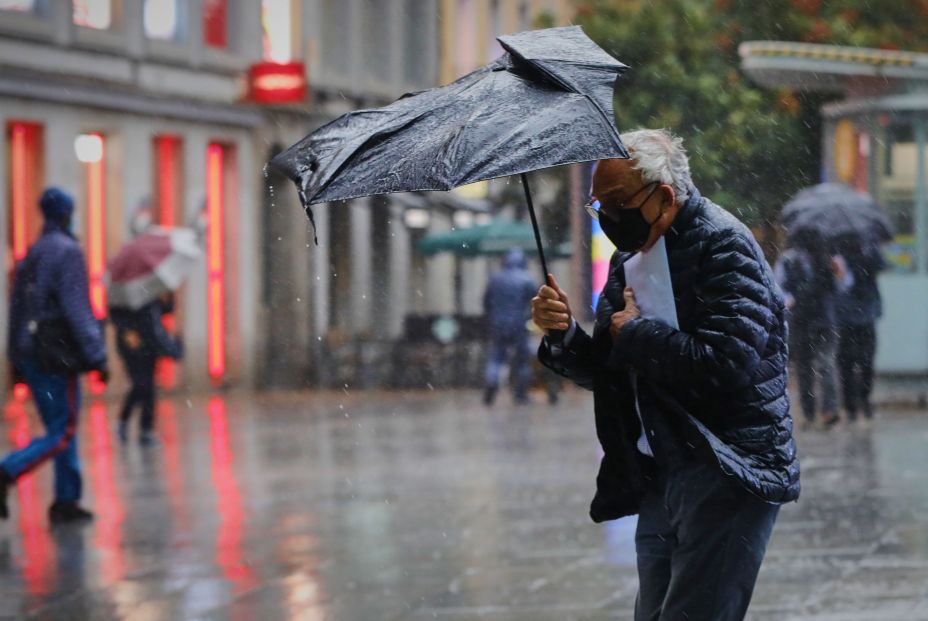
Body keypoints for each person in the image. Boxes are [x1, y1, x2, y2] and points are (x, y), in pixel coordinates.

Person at [531, 129, 798, 620]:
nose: (608, 216)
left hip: (726, 462)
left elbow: (725, 363)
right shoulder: (628, 258)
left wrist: (636, 333)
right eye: (599, 205)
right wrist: (564, 333)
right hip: (661, 467)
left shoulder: (724, 246)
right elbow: (612, 371)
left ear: (665, 196)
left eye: (617, 201)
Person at [1, 187, 108, 524]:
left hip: (32, 354)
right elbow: (77, 308)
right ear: (65, 214)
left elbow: (17, 308)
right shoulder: (67, 252)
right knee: (62, 430)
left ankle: (66, 499)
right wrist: (97, 354)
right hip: (57, 356)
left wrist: (16, 357)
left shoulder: (32, 253)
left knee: (59, 428)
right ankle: (7, 471)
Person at [775, 245, 850, 429]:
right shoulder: (791, 259)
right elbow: (844, 285)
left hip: (816, 320)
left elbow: (843, 284)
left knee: (816, 365)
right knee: (813, 366)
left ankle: (824, 411)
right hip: (813, 320)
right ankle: (818, 411)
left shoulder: (827, 259)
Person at [110, 292, 183, 445]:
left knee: (148, 387)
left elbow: (164, 310)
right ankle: (124, 421)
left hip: (149, 344)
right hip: (132, 345)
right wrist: (127, 329)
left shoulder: (152, 289)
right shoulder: (125, 289)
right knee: (141, 384)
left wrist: (168, 297)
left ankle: (145, 429)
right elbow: (115, 313)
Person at [835, 237, 886, 425]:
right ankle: (860, 401)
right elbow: (882, 266)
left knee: (849, 362)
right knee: (862, 361)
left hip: (852, 315)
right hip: (860, 315)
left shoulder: (839, 248)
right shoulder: (868, 248)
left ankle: (853, 405)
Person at [482, 248, 538, 405]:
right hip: (519, 324)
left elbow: (486, 302)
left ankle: (492, 381)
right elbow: (536, 303)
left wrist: (493, 317)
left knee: (496, 357)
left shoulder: (495, 279)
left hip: (498, 323)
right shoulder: (527, 279)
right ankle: (520, 394)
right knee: (522, 360)